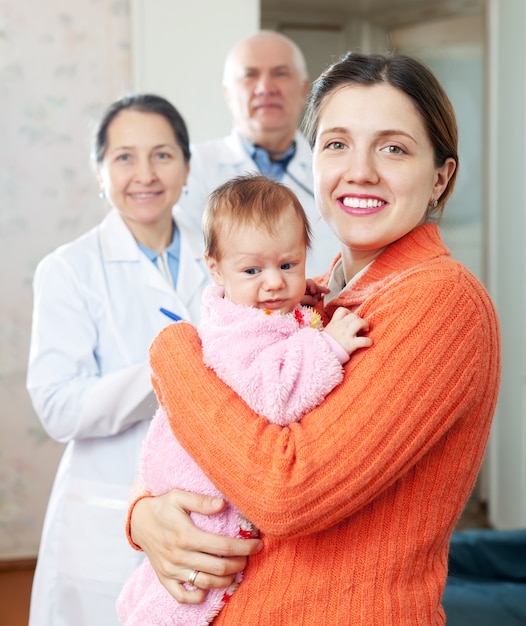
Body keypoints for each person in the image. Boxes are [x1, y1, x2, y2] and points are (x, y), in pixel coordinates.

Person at [129, 52, 502, 624]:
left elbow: (286, 491)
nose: (360, 171)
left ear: (441, 176)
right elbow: (193, 447)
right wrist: (142, 515)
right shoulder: (310, 298)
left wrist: (173, 355)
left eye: (394, 147)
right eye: (336, 144)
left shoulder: (441, 301)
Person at [117, 174, 372, 625]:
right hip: (202, 489)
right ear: (215, 269)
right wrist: (327, 344)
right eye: (252, 271)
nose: (273, 283)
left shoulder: (262, 308)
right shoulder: (236, 330)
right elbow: (274, 395)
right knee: (191, 593)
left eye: (288, 265)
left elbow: (285, 325)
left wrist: (305, 306)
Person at [26, 94, 210, 626]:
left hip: (210, 500)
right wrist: (169, 373)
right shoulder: (70, 270)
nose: (144, 174)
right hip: (109, 507)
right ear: (99, 171)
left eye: (162, 154)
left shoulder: (224, 253)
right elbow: (58, 407)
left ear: (187, 165)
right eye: (124, 157)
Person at [177, 29, 340, 276]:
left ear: (304, 89)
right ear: (228, 93)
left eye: (280, 74)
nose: (265, 87)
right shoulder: (191, 167)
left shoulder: (336, 165)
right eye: (249, 75)